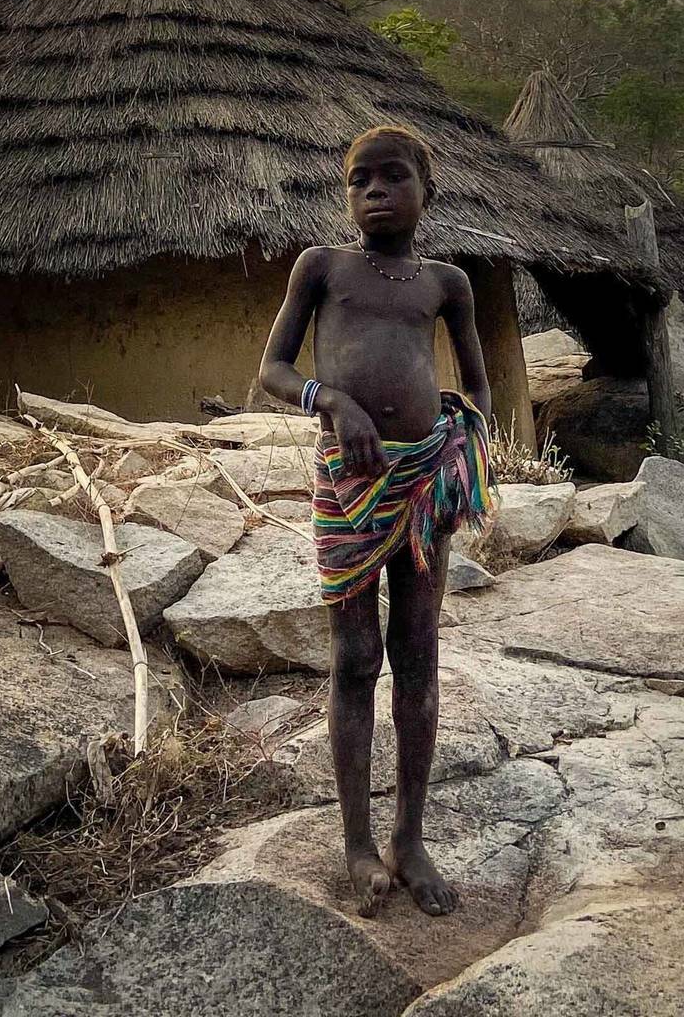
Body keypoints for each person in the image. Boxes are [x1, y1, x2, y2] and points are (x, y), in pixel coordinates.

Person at [258, 125, 497, 918]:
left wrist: (462, 434)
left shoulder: (447, 283)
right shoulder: (321, 268)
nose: (374, 191)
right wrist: (330, 399)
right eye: (360, 179)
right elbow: (272, 370)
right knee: (355, 655)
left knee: (418, 657)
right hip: (348, 484)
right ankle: (358, 844)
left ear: (428, 189)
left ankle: (411, 836)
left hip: (425, 487)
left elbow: (478, 384)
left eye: (393, 177)